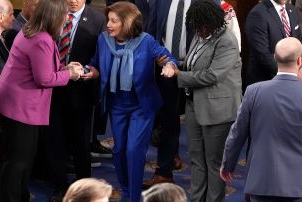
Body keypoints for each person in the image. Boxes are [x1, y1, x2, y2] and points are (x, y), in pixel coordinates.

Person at [0, 0, 84, 200]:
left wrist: (65, 69)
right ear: (54, 16)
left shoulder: (31, 32)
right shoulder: (41, 39)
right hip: (20, 106)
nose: (67, 19)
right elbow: (44, 78)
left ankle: (20, 196)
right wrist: (71, 75)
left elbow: (43, 68)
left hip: (17, 103)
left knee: (23, 158)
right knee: (18, 161)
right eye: (64, 15)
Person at [89, 2, 177, 202]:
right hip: (116, 104)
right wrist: (86, 71)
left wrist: (169, 66)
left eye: (113, 21)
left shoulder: (146, 41)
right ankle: (126, 191)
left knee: (133, 150)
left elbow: (167, 57)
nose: (108, 25)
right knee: (119, 150)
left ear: (127, 22)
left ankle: (134, 197)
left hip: (141, 105)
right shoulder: (103, 40)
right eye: (108, 20)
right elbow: (95, 64)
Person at [161, 1, 242, 201]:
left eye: (202, 26)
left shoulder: (227, 41)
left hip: (218, 110)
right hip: (194, 106)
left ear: (213, 22)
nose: (199, 30)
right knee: (196, 160)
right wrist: (172, 63)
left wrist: (177, 75)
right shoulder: (200, 34)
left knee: (214, 163)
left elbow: (212, 75)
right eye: (196, 26)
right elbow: (190, 62)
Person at [220, 37, 302, 202]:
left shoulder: (253, 91)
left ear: (274, 57)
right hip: (297, 185)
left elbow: (236, 134)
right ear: (300, 60)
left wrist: (228, 165)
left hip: (260, 182)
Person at [44, 0, 106, 200]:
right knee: (55, 141)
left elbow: (101, 54)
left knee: (81, 144)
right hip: (53, 88)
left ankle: (83, 189)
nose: (72, 0)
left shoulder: (98, 19)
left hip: (82, 90)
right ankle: (59, 187)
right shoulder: (52, 14)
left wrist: (94, 71)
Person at [143, 0, 196, 188]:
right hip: (165, 69)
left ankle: (204, 177)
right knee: (167, 119)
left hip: (195, 71)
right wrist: (154, 56)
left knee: (198, 120)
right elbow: (151, 32)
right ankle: (164, 170)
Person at [245, 0, 301, 86]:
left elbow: (298, 41)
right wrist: (288, 75)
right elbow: (262, 54)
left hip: (292, 79)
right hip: (266, 82)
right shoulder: (257, 14)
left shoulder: (292, 9)